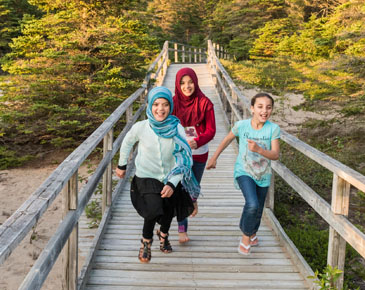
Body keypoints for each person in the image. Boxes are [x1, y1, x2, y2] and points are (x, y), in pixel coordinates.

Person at [115, 87, 201, 263]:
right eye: (155, 104)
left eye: (165, 105)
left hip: (171, 176)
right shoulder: (142, 127)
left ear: (170, 106)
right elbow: (127, 142)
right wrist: (121, 165)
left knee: (168, 209)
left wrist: (172, 182)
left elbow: (185, 158)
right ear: (149, 106)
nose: (160, 109)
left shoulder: (177, 128)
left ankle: (164, 235)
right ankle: (146, 242)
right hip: (146, 176)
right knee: (154, 209)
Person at [206, 92, 280, 255]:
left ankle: (252, 233)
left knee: (258, 209)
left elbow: (275, 154)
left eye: (268, 107)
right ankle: (245, 237)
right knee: (252, 203)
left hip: (263, 174)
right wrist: (214, 158)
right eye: (260, 107)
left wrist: (259, 150)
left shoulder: (273, 129)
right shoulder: (242, 125)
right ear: (252, 108)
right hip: (244, 171)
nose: (264, 111)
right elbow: (226, 140)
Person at [172, 67, 216, 244]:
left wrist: (198, 141)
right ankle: (182, 229)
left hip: (199, 153)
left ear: (195, 82)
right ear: (177, 84)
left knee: (193, 187)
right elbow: (165, 123)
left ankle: (193, 200)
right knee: (181, 188)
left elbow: (211, 130)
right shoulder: (172, 103)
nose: (187, 86)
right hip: (179, 154)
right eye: (182, 83)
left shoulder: (205, 103)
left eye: (190, 82)